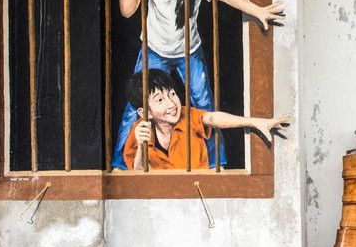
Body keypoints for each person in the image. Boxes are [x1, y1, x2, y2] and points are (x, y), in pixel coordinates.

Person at [111, 0, 285, 170]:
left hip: (189, 52)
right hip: (153, 50)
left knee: (204, 106)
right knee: (135, 106)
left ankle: (216, 164)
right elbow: (127, 10)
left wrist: (257, 10)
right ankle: (121, 165)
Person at [122, 69, 289, 171]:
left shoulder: (187, 116)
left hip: (197, 191)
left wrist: (255, 122)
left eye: (172, 94)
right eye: (159, 100)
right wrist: (142, 145)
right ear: (145, 112)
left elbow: (212, 117)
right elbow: (138, 171)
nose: (171, 103)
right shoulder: (139, 130)